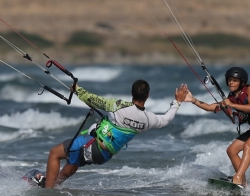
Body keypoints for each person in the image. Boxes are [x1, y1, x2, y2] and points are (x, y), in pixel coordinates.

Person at [42, 80, 189, 188]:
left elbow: (91, 99)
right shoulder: (148, 120)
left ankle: (48, 193)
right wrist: (177, 102)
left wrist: (77, 89)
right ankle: (54, 184)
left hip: (93, 145)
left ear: (132, 93)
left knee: (54, 153)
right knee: (73, 162)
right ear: (148, 95)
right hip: (104, 156)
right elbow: (166, 119)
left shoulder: (117, 106)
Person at [185, 67, 250, 187]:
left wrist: (231, 104)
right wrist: (193, 100)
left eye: (234, 80)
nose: (231, 83)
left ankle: (237, 177)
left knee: (248, 145)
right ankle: (243, 183)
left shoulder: (249, 89)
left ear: (242, 82)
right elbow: (210, 107)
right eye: (229, 80)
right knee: (232, 150)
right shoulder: (231, 98)